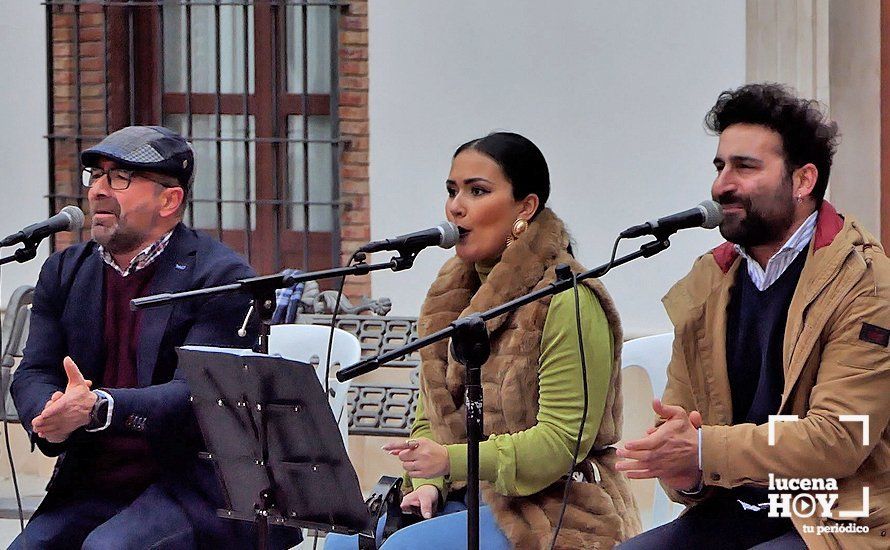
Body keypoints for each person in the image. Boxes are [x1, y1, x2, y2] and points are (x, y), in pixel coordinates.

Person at [326, 132, 640, 549]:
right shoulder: (449, 295)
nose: (456, 206)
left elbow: (561, 443)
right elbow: (432, 416)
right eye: (452, 191)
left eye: (477, 191)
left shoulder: (569, 299)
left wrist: (451, 461)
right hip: (463, 496)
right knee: (341, 544)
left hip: (554, 506)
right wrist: (429, 483)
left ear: (525, 207)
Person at [616, 83, 890, 549]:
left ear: (803, 181)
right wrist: (683, 471)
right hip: (741, 505)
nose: (722, 184)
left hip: (846, 514)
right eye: (720, 166)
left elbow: (841, 438)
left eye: (745, 167)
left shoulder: (866, 283)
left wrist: (704, 450)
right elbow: (687, 429)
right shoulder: (708, 281)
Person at [10, 126, 300, 549]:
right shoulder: (65, 270)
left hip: (192, 486)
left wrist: (100, 408)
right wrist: (50, 418)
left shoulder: (221, 277)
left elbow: (198, 395)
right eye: (97, 175)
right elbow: (35, 370)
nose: (98, 191)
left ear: (170, 199)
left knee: (108, 548)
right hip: (92, 481)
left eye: (120, 177)